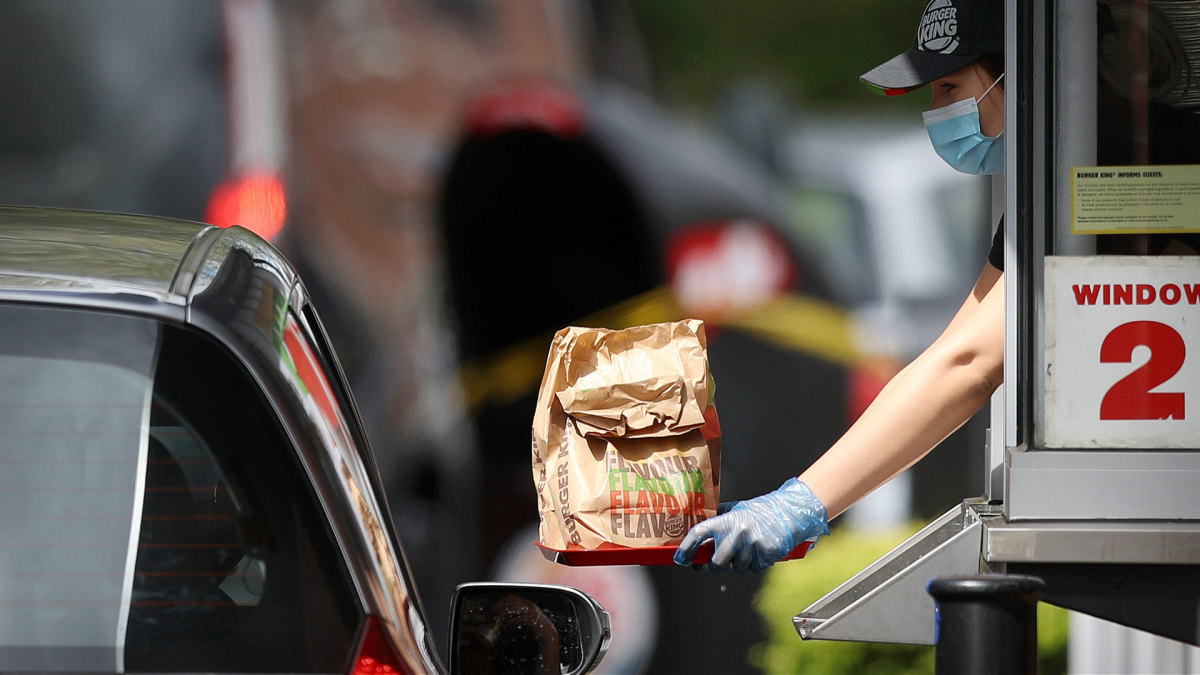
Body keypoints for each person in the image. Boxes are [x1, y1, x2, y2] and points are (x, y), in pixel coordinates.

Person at [675, 0, 1008, 573]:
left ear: (1016, 79)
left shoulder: (1105, 189)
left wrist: (801, 503)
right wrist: (804, 498)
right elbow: (955, 353)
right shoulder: (1051, 194)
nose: (936, 112)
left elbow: (969, 363)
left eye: (950, 87)